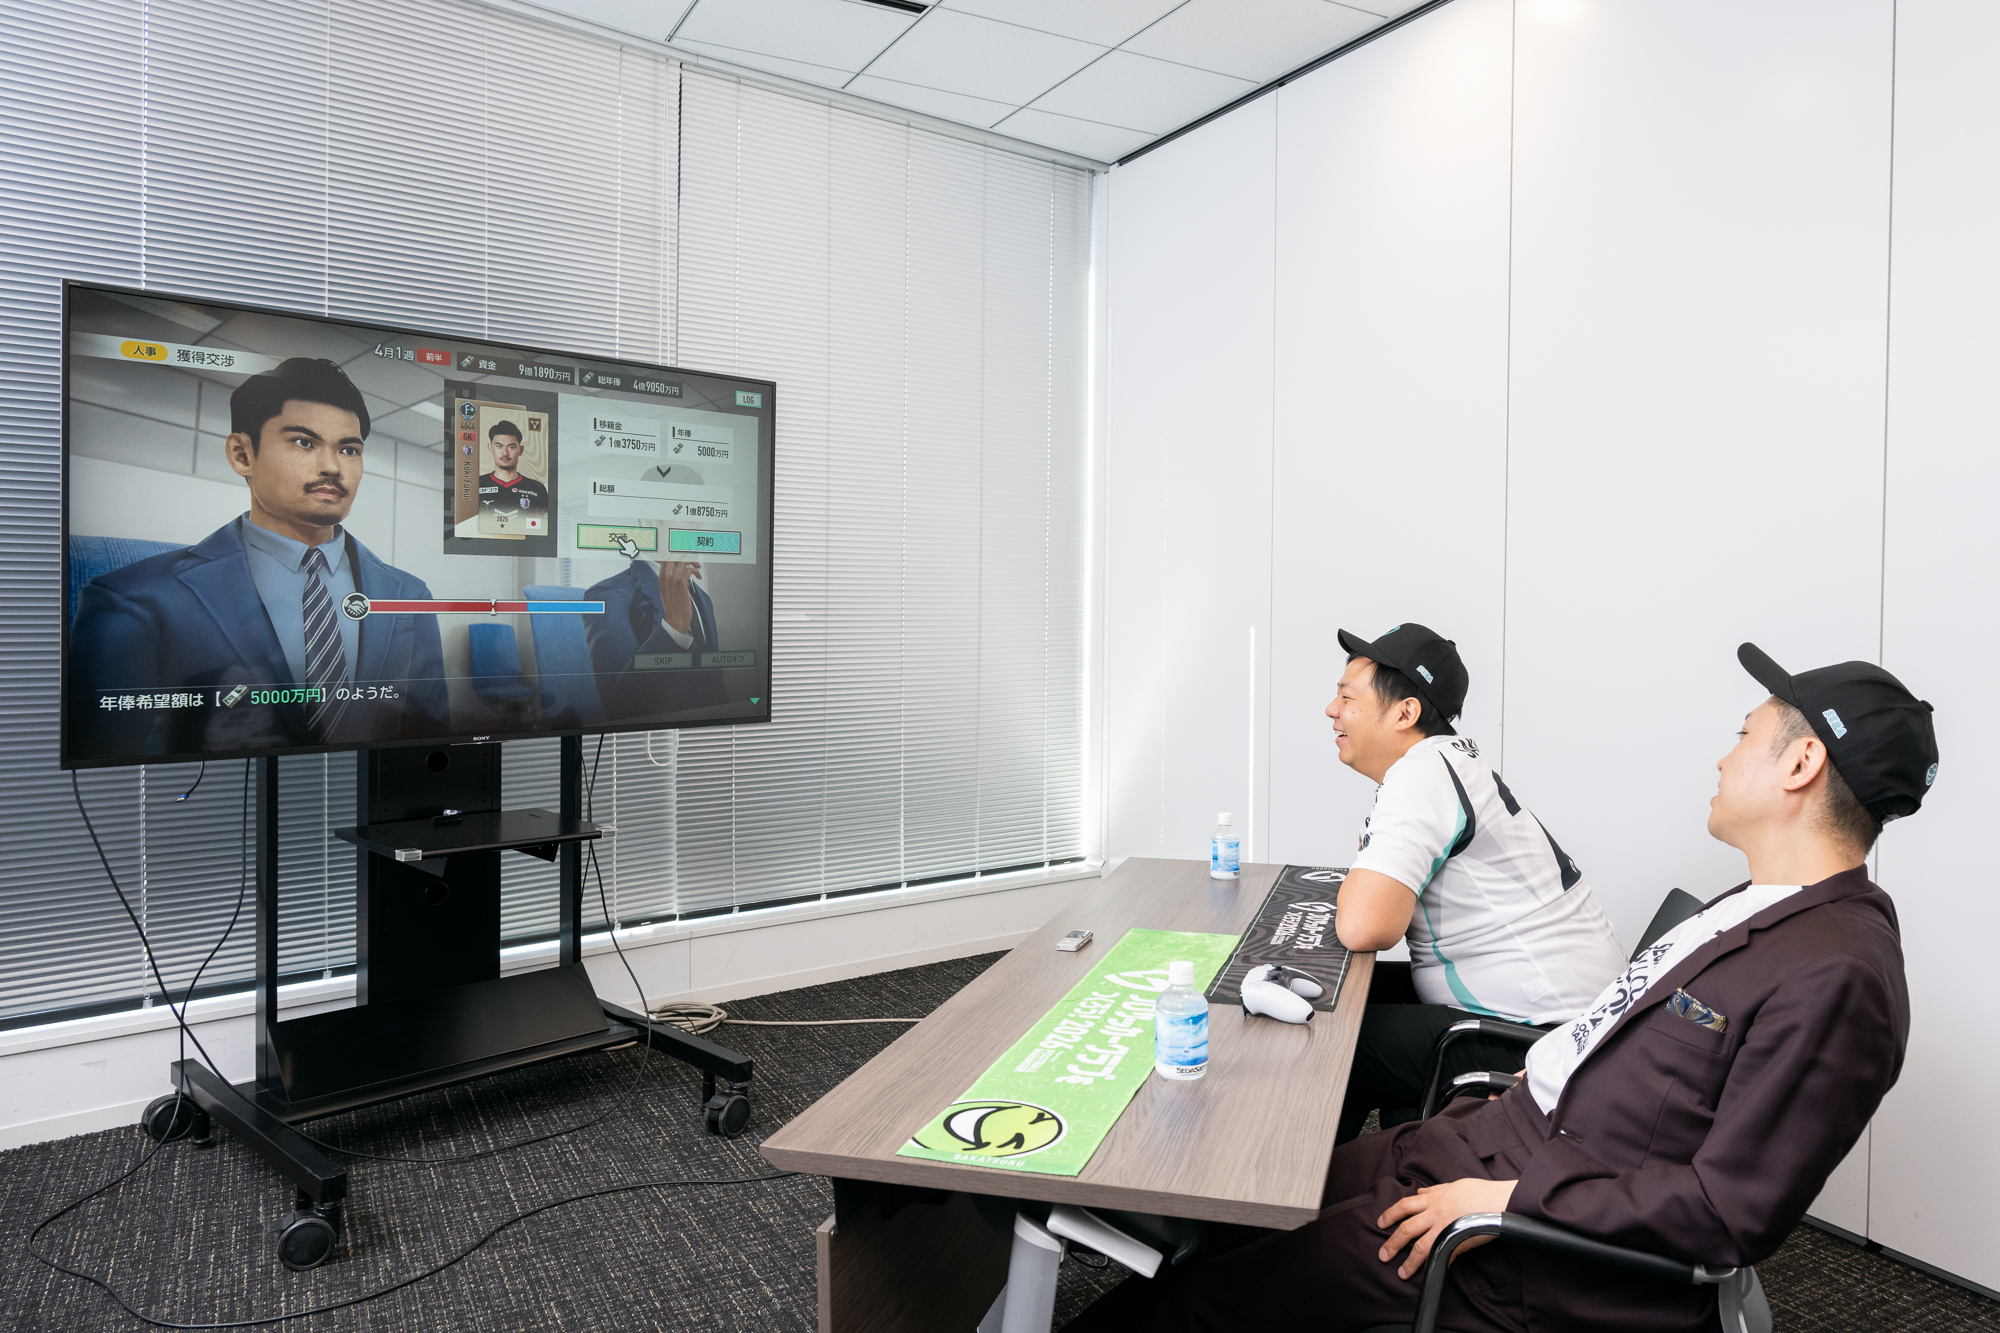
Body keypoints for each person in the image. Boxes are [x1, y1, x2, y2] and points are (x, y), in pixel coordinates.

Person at [1066, 643, 1933, 1333]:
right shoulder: (1756, 902)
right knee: (1250, 1206)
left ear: (1801, 762)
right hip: (1497, 1134)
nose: (1722, 754)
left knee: (1214, 1298)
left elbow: (1725, 1213)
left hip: (1528, 1239)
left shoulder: (1839, 973)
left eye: (1745, 734)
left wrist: (1506, 1200)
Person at [1325, 623, 1626, 1142]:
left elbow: (1364, 926)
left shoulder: (1421, 775)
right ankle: (1351, 1168)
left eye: (1347, 697)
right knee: (1341, 1000)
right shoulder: (1446, 760)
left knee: (1327, 1039)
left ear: (1405, 713)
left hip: (1540, 1042)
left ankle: (1300, 1185)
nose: (1332, 710)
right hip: (1567, 1021)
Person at [69, 357, 450, 759]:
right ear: (242, 455)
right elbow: (104, 769)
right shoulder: (134, 599)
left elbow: (431, 735)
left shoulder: (409, 595)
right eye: (304, 442)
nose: (333, 467)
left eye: (349, 449)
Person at [581, 557, 724, 720]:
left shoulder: (704, 598)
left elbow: (717, 688)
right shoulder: (608, 595)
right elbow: (619, 709)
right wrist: (674, 628)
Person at [476, 420, 550, 523]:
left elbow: (544, 527)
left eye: (511, 447)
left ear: (521, 450)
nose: (505, 453)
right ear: (490, 447)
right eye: (499, 446)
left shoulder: (537, 488)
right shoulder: (476, 485)